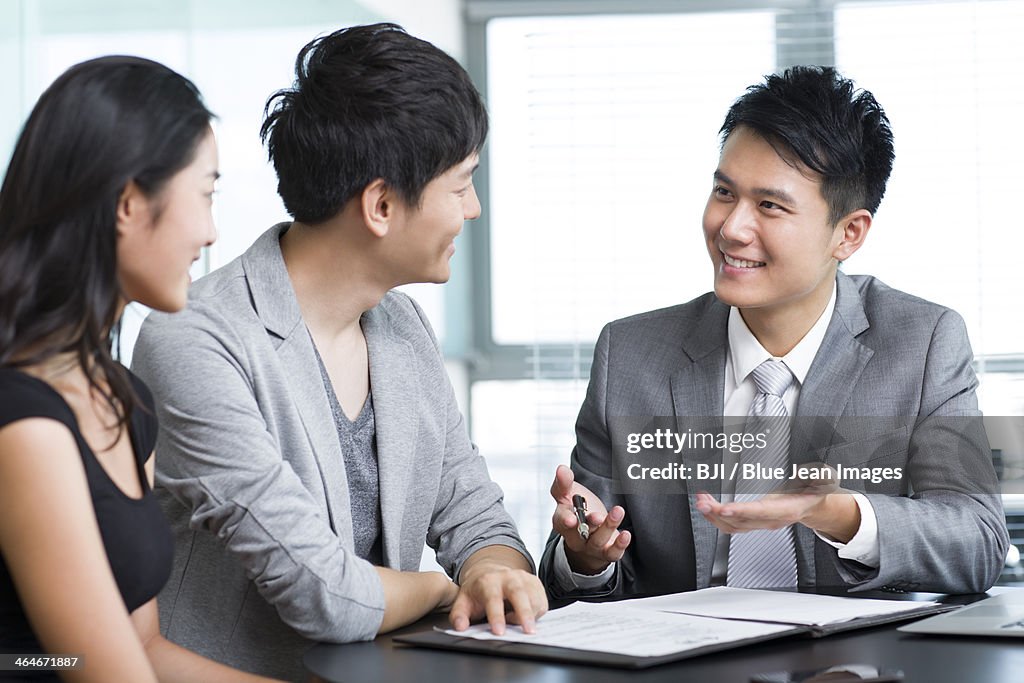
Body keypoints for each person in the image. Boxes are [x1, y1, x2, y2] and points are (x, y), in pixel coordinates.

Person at [131, 23, 545, 681]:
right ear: (381, 204)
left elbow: (474, 512)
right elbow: (321, 592)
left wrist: (493, 572)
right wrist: (442, 588)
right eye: (461, 182)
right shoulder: (195, 340)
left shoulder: (403, 327)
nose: (474, 208)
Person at [539, 66, 1008, 599]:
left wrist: (840, 514)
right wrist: (586, 556)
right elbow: (576, 573)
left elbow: (978, 544)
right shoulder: (628, 355)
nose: (732, 228)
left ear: (848, 234)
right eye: (723, 192)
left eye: (769, 206)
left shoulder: (923, 344)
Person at [0, 57, 282, 682]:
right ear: (128, 202)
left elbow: (145, 650)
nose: (210, 232)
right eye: (205, 194)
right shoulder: (24, 422)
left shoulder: (126, 400)